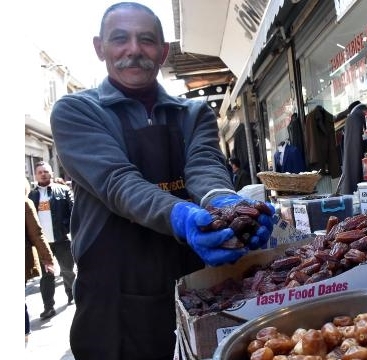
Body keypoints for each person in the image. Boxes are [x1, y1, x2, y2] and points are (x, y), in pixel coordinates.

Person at [49, 2, 274, 359]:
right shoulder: (76, 112)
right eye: (120, 39)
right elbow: (117, 182)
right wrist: (182, 217)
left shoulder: (194, 112)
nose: (134, 50)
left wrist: (226, 204)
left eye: (147, 40)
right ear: (99, 47)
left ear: (164, 50)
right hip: (114, 298)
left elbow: (203, 166)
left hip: (191, 285)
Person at [27, 161, 76, 319]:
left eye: (46, 171)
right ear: (35, 175)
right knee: (47, 276)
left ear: (51, 174)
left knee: (68, 271)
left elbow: (74, 211)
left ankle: (71, 293)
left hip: (62, 240)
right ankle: (49, 307)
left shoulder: (63, 190)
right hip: (42, 245)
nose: (43, 174)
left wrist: (70, 231)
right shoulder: (32, 196)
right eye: (40, 172)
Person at [25, 178, 56, 343]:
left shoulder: (24, 203)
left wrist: (47, 259)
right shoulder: (29, 199)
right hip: (37, 249)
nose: (43, 175)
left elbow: (36, 233)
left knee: (67, 271)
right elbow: (36, 233)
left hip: (59, 239)